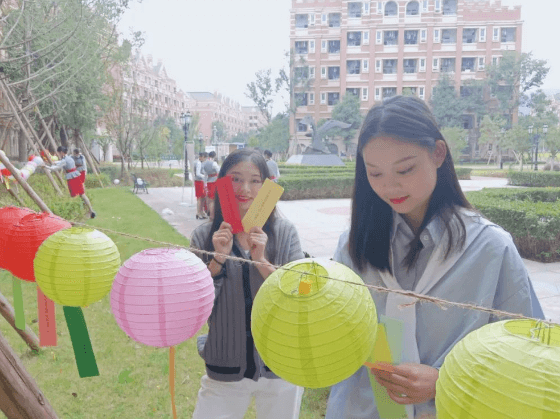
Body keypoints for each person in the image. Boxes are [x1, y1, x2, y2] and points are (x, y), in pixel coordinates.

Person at [325, 96, 544, 419]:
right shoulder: (352, 246)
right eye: (375, 173)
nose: (390, 186)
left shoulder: (490, 249)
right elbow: (337, 336)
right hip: (363, 409)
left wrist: (447, 380)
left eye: (405, 169)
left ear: (438, 153)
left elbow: (527, 354)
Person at [190, 149, 305, 419]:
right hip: (224, 364)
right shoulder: (205, 235)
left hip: (281, 364)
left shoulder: (284, 232)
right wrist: (217, 260)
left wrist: (262, 261)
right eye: (235, 179)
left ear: (266, 185)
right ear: (222, 183)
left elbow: (300, 295)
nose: (245, 188)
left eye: (255, 180)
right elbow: (197, 306)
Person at [46, 146, 96, 219]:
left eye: (58, 153)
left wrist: (46, 167)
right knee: (82, 195)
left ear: (61, 152)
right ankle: (91, 210)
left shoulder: (65, 160)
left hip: (72, 179)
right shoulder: (69, 158)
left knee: (74, 196)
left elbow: (56, 168)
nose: (57, 155)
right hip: (76, 177)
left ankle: (76, 214)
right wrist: (54, 163)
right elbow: (60, 162)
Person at [202, 150, 221, 219]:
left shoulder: (204, 163)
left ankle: (208, 211)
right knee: (213, 199)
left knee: (209, 198)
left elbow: (205, 174)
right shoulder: (214, 163)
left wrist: (204, 183)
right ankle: (212, 215)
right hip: (214, 181)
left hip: (208, 182)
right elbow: (219, 172)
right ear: (214, 156)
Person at [194, 152, 208, 219]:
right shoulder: (199, 163)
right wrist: (204, 176)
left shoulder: (196, 162)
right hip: (199, 181)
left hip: (198, 181)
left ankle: (201, 212)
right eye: (204, 158)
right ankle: (198, 212)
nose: (204, 159)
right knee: (200, 198)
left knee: (201, 197)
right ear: (202, 157)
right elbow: (198, 173)